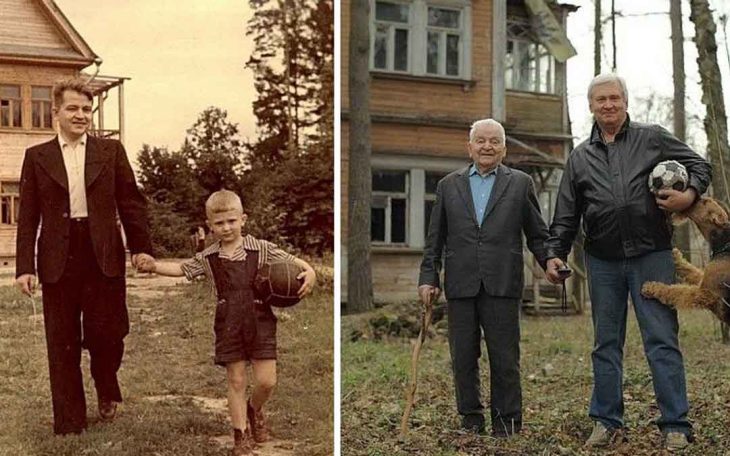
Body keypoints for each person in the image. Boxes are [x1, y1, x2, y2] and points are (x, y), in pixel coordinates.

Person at [544, 73, 712, 451]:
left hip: (651, 255)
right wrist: (555, 253)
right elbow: (566, 215)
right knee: (606, 343)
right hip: (602, 261)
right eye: (600, 99)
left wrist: (688, 197)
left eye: (614, 98)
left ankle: (675, 426)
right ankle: (606, 422)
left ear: (625, 101)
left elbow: (700, 166)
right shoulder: (579, 158)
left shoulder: (652, 138)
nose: (608, 105)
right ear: (590, 105)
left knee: (661, 340)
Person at [15, 78, 154, 435]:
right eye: (73, 108)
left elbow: (131, 202)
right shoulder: (36, 157)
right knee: (61, 341)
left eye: (87, 109)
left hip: (103, 254)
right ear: (56, 113)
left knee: (108, 333)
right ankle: (69, 421)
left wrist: (141, 248)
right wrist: (24, 267)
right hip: (58, 257)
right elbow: (28, 214)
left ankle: (106, 384)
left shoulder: (111, 152)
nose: (81, 116)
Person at [136, 189, 316, 456]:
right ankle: (240, 434)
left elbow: (293, 262)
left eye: (231, 221)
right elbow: (182, 269)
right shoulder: (209, 258)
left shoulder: (261, 248)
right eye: (219, 223)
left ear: (243, 219)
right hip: (229, 321)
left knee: (267, 381)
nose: (226, 227)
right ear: (210, 226)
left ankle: (254, 411)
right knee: (236, 380)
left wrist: (310, 271)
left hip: (261, 321)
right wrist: (154, 266)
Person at [418, 118, 549, 437]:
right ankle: (471, 419)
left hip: (502, 282)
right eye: (481, 141)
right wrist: (428, 276)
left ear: (504, 149)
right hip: (460, 284)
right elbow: (435, 237)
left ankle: (507, 423)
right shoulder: (448, 185)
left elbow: (537, 234)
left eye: (494, 141)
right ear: (470, 147)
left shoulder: (520, 183)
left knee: (505, 357)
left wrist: (551, 261)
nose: (487, 146)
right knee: (462, 356)